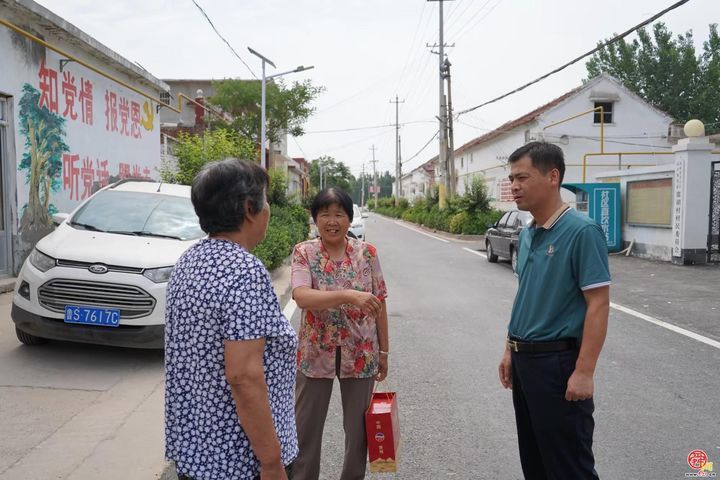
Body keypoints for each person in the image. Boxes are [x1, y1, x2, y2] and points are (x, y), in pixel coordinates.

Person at [165, 158, 297, 480]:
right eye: (265, 202)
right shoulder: (243, 272)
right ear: (250, 209)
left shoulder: (189, 261)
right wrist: (270, 462)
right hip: (238, 463)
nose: (268, 210)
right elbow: (243, 375)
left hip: (196, 454)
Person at [497, 142, 610, 480]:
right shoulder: (529, 232)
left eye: (522, 177)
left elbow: (599, 303)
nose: (514, 186)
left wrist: (584, 371)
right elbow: (527, 295)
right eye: (511, 178)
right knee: (535, 460)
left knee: (568, 466)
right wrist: (509, 348)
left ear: (553, 177)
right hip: (525, 361)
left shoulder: (581, 231)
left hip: (557, 365)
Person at [291, 188, 389, 480]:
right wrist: (348, 295)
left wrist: (384, 351)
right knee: (305, 431)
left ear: (349, 217)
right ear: (315, 219)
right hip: (314, 353)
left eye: (339, 214)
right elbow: (301, 296)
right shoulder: (304, 252)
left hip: (361, 353)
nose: (332, 221)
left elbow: (380, 302)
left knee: (358, 433)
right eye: (325, 214)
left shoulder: (367, 253)